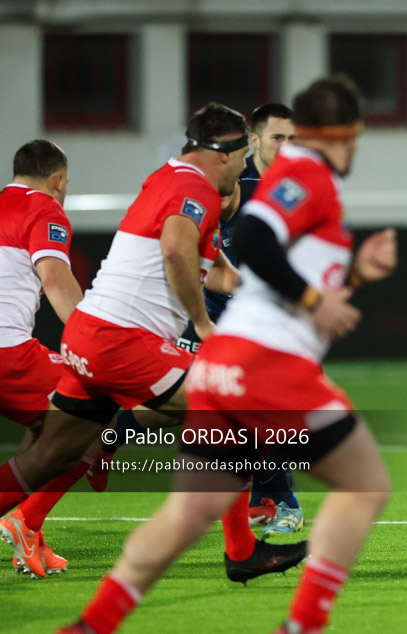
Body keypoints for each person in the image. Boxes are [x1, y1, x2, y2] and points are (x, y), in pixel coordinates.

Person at [58, 74, 396, 634]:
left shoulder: (299, 181)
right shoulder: (307, 175)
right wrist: (315, 299)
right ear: (346, 134)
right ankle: (303, 624)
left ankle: (92, 625)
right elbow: (259, 243)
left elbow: (272, 275)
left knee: (187, 514)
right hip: (264, 364)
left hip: (223, 367)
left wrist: (358, 272)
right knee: (366, 484)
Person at [0, 104, 306, 584]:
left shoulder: (172, 179)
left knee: (47, 459)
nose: (249, 166)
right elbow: (174, 252)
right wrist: (204, 325)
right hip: (122, 341)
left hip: (90, 337)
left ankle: (36, 507)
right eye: (246, 156)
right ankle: (243, 550)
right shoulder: (193, 190)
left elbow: (216, 268)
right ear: (223, 156)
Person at [92, 104, 306, 535]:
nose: (286, 148)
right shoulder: (226, 185)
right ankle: (275, 503)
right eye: (277, 138)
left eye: (293, 139)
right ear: (254, 142)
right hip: (212, 316)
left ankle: (105, 439)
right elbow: (200, 249)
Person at [0, 140, 85, 577]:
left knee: (48, 424)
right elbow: (54, 278)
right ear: (57, 180)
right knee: (93, 419)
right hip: (5, 352)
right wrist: (96, 342)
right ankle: (24, 518)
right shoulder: (44, 208)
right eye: (66, 184)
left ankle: (29, 531)